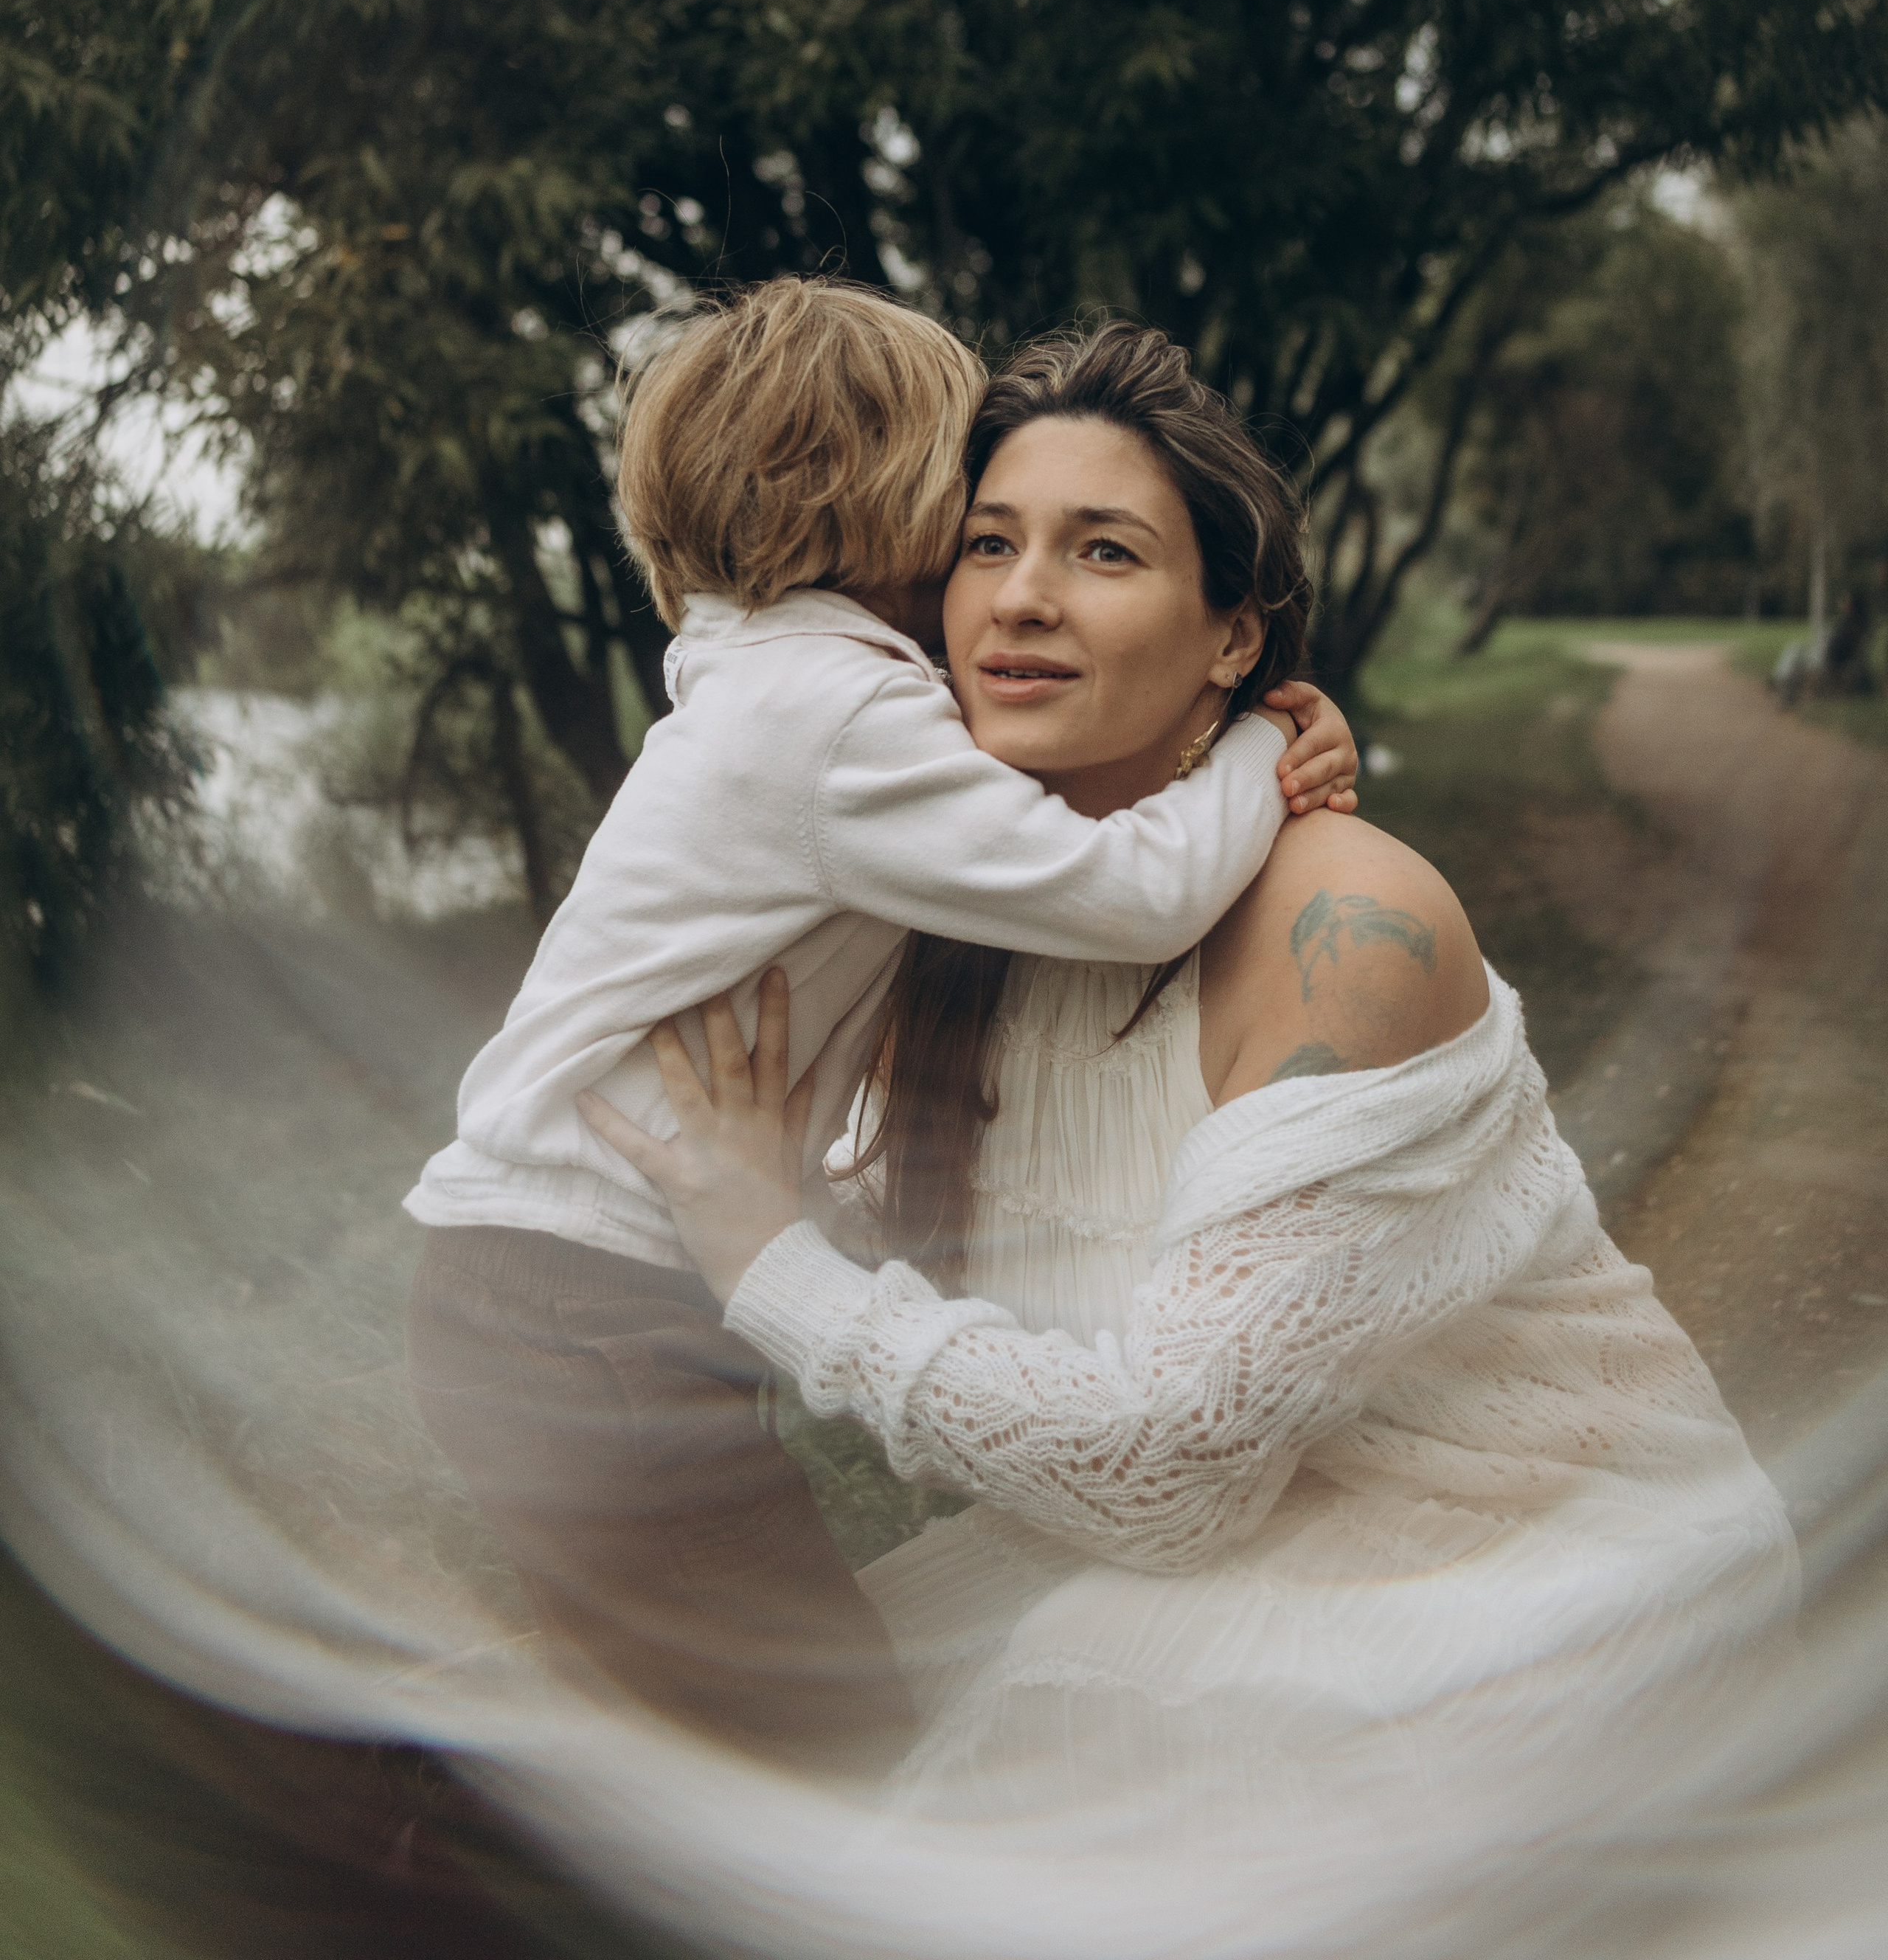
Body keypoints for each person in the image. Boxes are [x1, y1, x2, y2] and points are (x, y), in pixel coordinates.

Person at [582, 320, 1795, 1852]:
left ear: (1233, 635)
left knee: (1022, 1822)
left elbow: (1168, 1476)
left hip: (1530, 1561)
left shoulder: (1341, 925)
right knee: (721, 1743)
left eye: (1102, 551)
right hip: (1198, 1524)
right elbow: (899, 1208)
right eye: (983, 545)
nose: (1020, 596)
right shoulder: (928, 923)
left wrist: (769, 1267)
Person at [403, 280, 1358, 1776]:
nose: (990, 552)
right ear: (879, 502)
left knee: (718, 1708)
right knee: (820, 1746)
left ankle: (473, 1804)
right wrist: (1263, 744)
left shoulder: (761, 679)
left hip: (549, 1294)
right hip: (586, 1308)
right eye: (969, 513)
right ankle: (427, 1838)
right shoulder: (841, 718)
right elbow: (1133, 894)